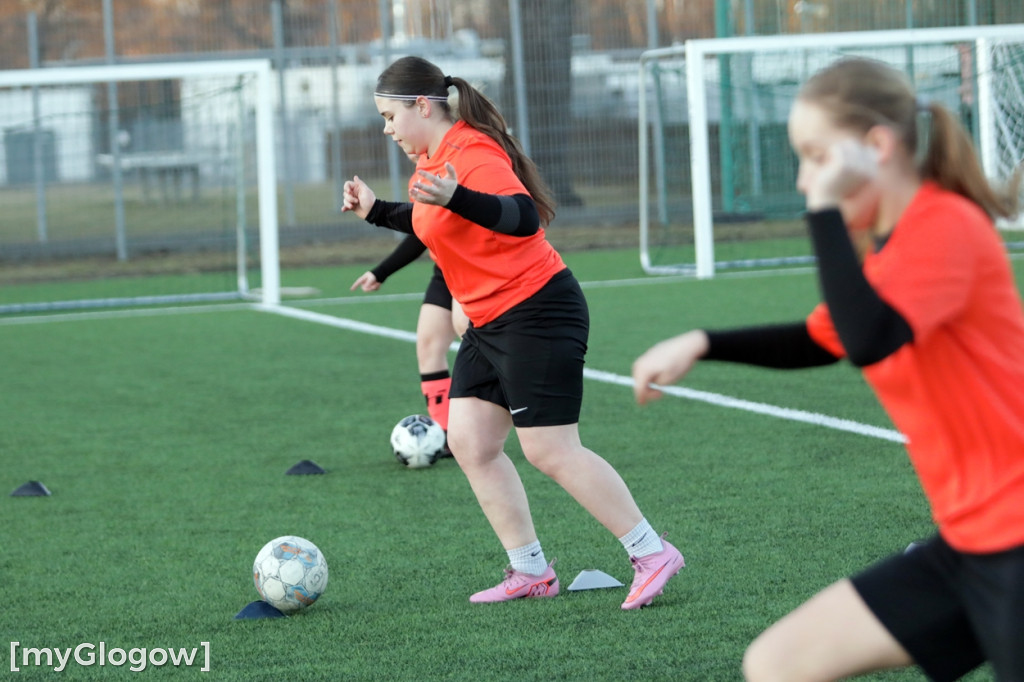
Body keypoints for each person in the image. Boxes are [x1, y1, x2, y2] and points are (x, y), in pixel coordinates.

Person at [632, 57, 1024, 680]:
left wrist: (821, 208)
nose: (802, 176)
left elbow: (870, 339)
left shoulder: (945, 224)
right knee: (777, 663)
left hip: (1015, 536)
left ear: (877, 146)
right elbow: (824, 338)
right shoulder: (885, 251)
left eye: (816, 156)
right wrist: (703, 341)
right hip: (971, 543)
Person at [342, 55, 684, 609]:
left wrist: (456, 196)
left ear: (421, 106)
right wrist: (377, 210)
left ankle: (651, 552)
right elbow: (431, 219)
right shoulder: (432, 162)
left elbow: (523, 216)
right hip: (489, 321)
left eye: (389, 116)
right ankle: (531, 571)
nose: (387, 129)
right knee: (471, 442)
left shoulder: (472, 151)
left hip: (538, 312)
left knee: (549, 450)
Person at [351, 232, 468, 450]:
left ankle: (531, 410)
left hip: (477, 266)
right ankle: (445, 435)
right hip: (446, 269)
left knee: (478, 342)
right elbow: (423, 230)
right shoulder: (421, 198)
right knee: (428, 346)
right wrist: (382, 271)